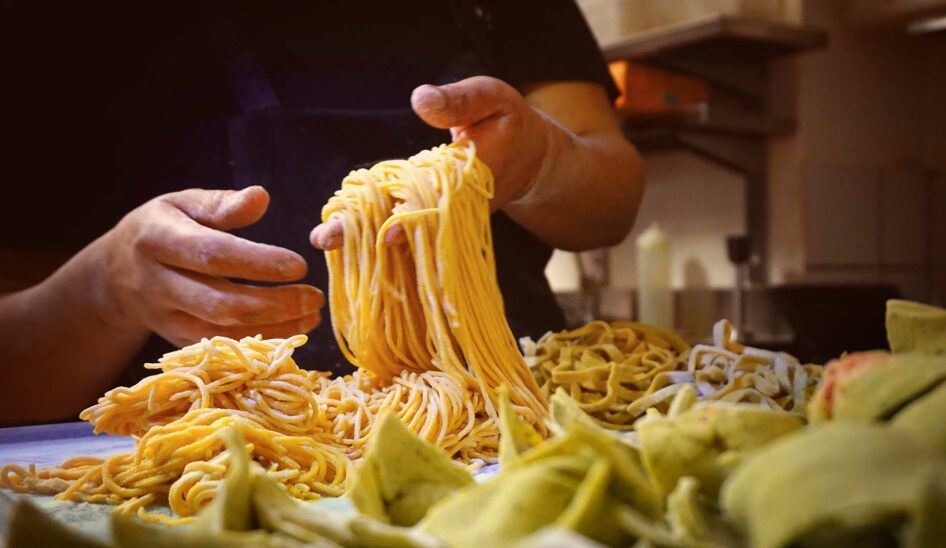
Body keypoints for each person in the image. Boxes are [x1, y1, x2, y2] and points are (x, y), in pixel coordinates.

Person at [0, 0, 645, 424]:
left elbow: (611, 199)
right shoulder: (56, 25)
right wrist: (105, 289)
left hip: (516, 406)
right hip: (195, 450)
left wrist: (542, 163)